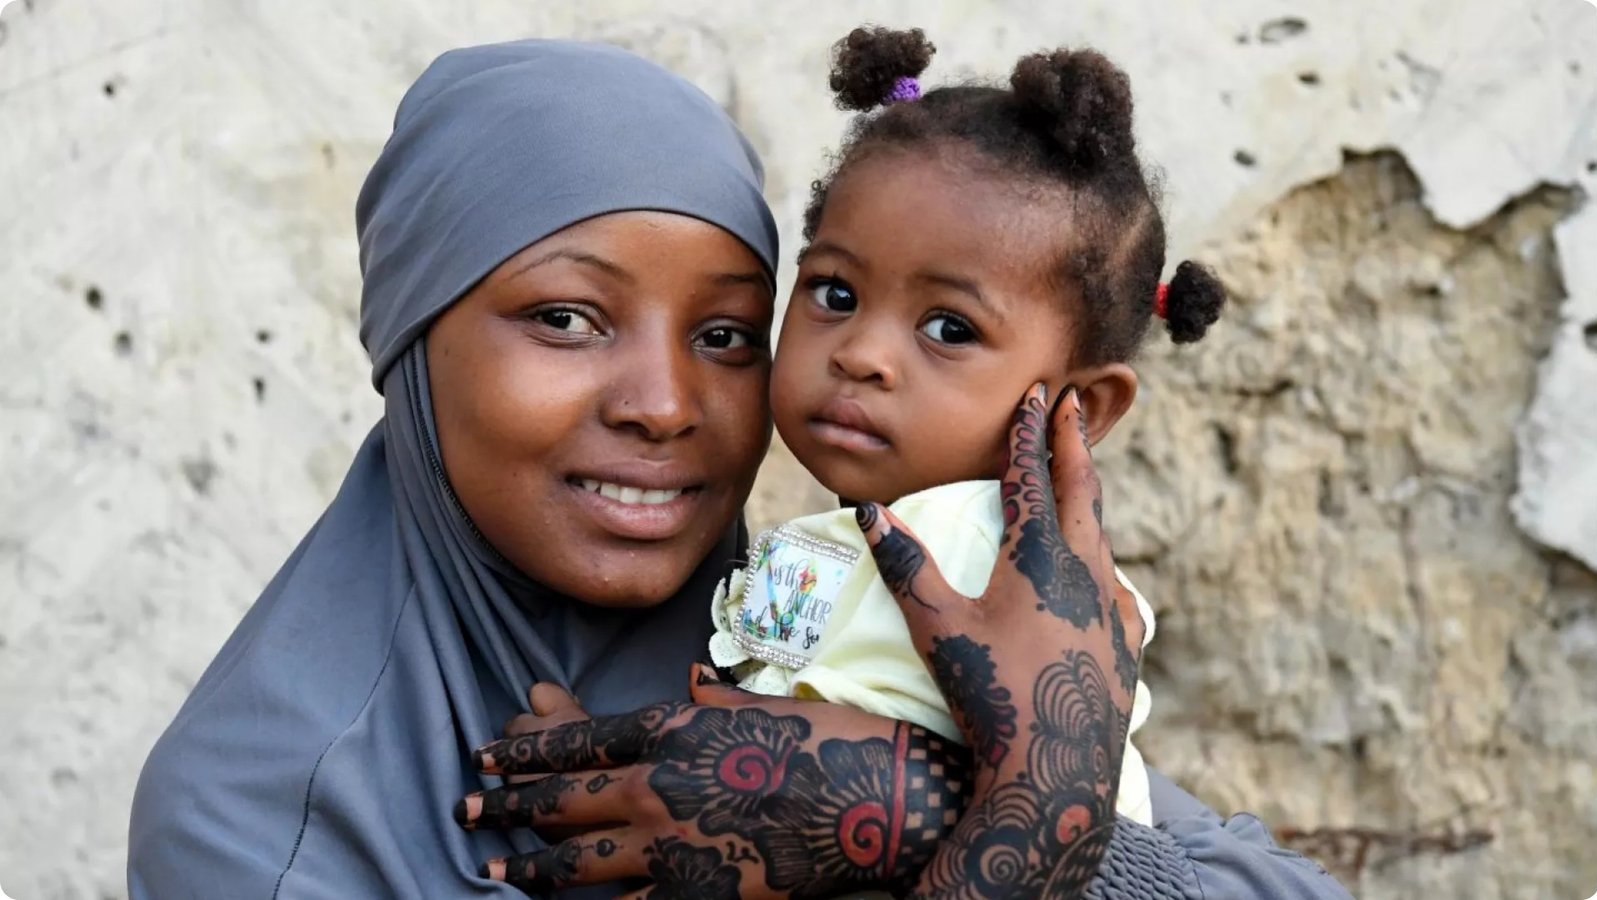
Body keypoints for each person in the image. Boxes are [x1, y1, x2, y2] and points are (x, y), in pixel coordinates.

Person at [127, 37, 1351, 900]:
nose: (664, 406)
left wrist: (925, 801)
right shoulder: (261, 820)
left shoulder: (846, 625)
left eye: (721, 335)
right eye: (564, 319)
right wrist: (1003, 820)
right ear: (410, 336)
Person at [698, 26, 1225, 832]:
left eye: (949, 329)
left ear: (1080, 406)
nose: (862, 355)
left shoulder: (1001, 575)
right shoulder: (833, 537)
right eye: (836, 293)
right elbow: (744, 708)